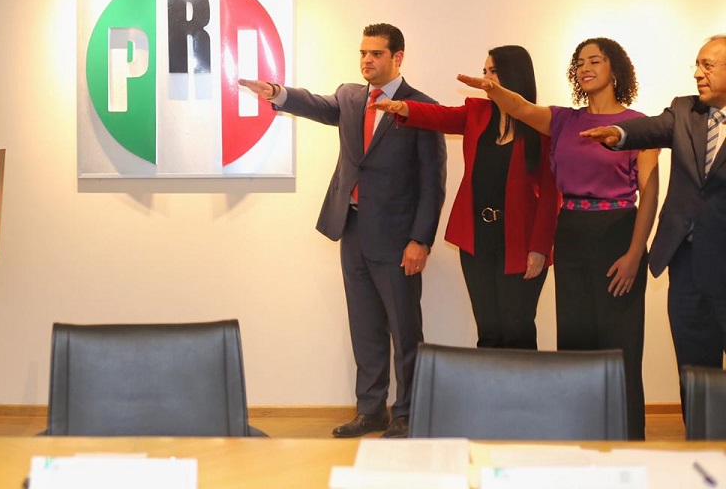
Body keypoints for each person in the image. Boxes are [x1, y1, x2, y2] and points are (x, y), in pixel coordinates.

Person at [239, 23, 447, 439]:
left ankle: (408, 413)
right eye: (363, 53)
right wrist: (277, 93)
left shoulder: (422, 107)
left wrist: (421, 240)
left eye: (376, 53)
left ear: (398, 57)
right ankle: (371, 410)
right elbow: (316, 105)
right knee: (365, 328)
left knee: (406, 332)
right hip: (351, 230)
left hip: (398, 240)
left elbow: (433, 182)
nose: (367, 60)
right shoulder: (351, 98)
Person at [456, 37, 659, 440]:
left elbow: (650, 193)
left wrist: (636, 253)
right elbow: (521, 108)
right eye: (579, 62)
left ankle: (627, 438)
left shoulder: (640, 125)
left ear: (615, 69)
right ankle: (581, 435)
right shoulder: (564, 120)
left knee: (621, 342)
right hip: (571, 233)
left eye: (595, 61)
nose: (585, 68)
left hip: (618, 233)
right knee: (576, 340)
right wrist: (494, 89)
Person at [371, 45, 559, 349]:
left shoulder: (542, 123)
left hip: (521, 242)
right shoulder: (477, 112)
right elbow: (441, 116)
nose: (486, 77)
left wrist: (540, 247)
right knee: (488, 329)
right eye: (485, 71)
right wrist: (403, 107)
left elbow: (551, 195)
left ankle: (522, 383)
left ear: (514, 74)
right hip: (477, 239)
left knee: (518, 329)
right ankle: (486, 382)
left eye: (493, 71)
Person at [580, 34, 726, 410]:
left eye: (708, 66)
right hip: (688, 268)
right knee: (695, 375)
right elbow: (651, 129)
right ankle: (700, 442)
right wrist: (618, 134)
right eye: (697, 65)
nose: (697, 74)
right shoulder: (684, 110)